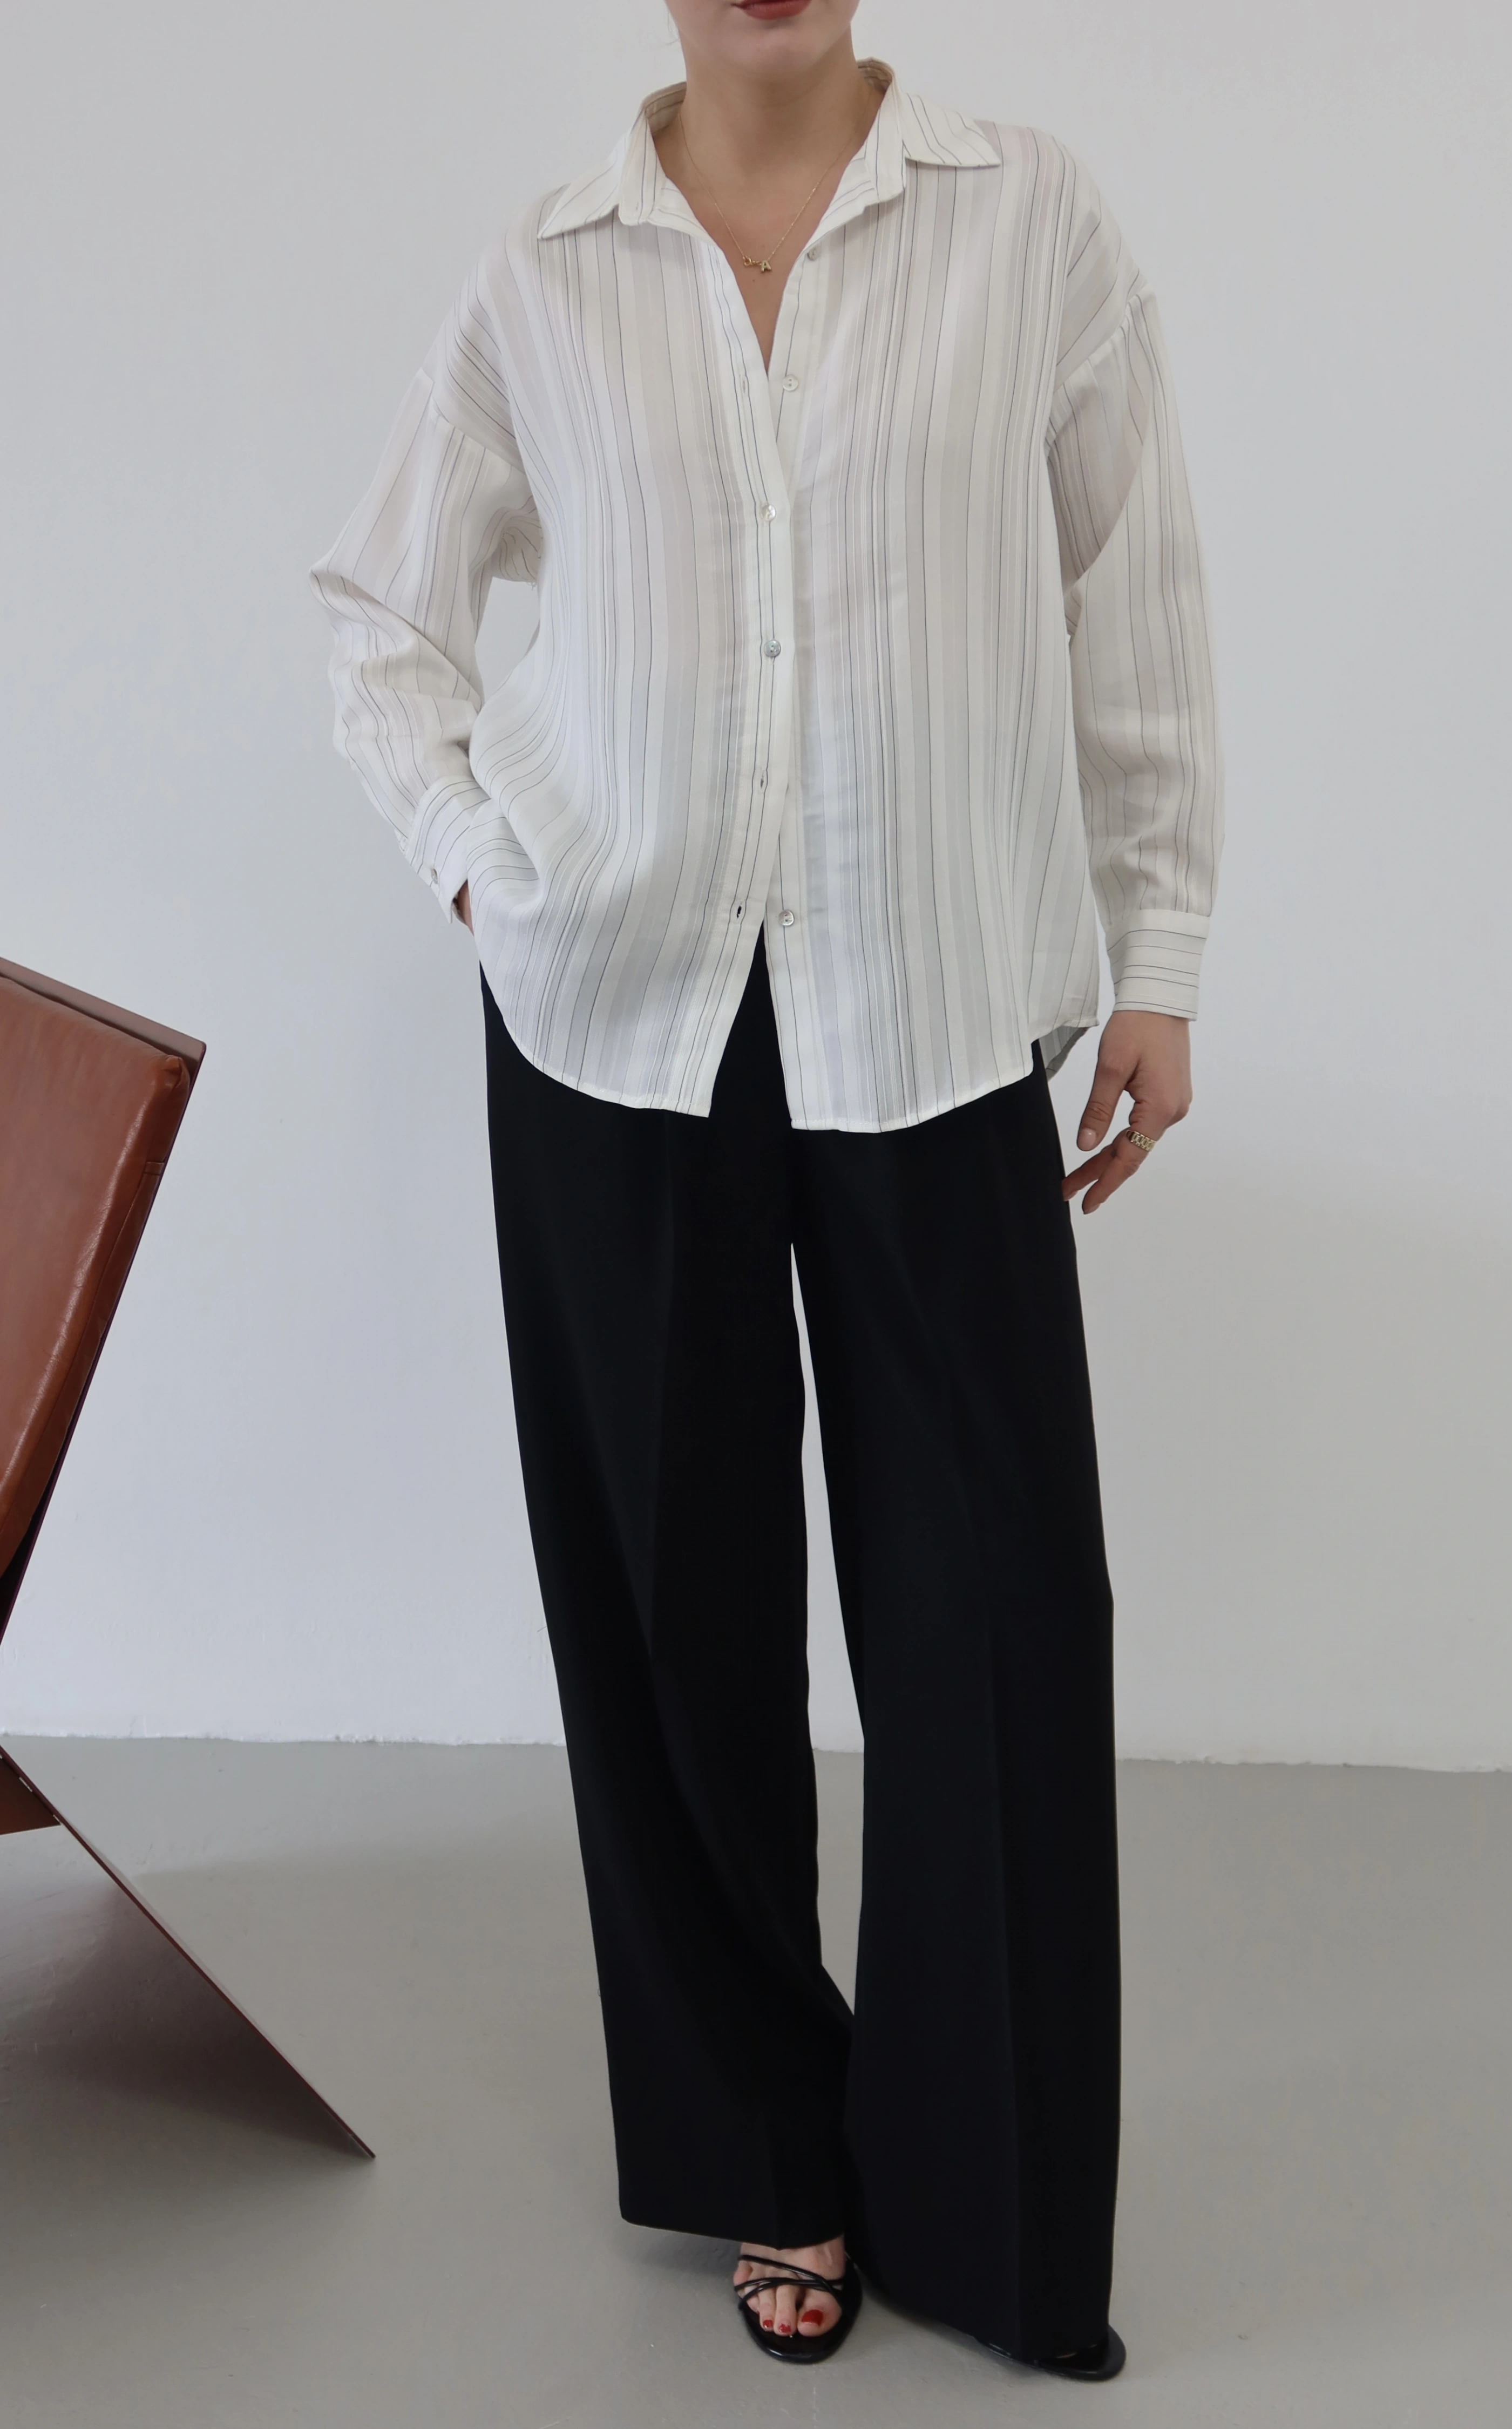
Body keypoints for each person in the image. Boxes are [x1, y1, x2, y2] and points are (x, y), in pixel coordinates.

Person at [310, 0, 1220, 2383]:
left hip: (937, 996)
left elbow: (1134, 589)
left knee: (994, 1616)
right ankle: (764, 2150)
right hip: (620, 1027)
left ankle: (990, 2208)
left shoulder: (1028, 224)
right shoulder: (546, 271)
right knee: (672, 1619)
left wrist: (1160, 950)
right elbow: (381, 615)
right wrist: (484, 869)